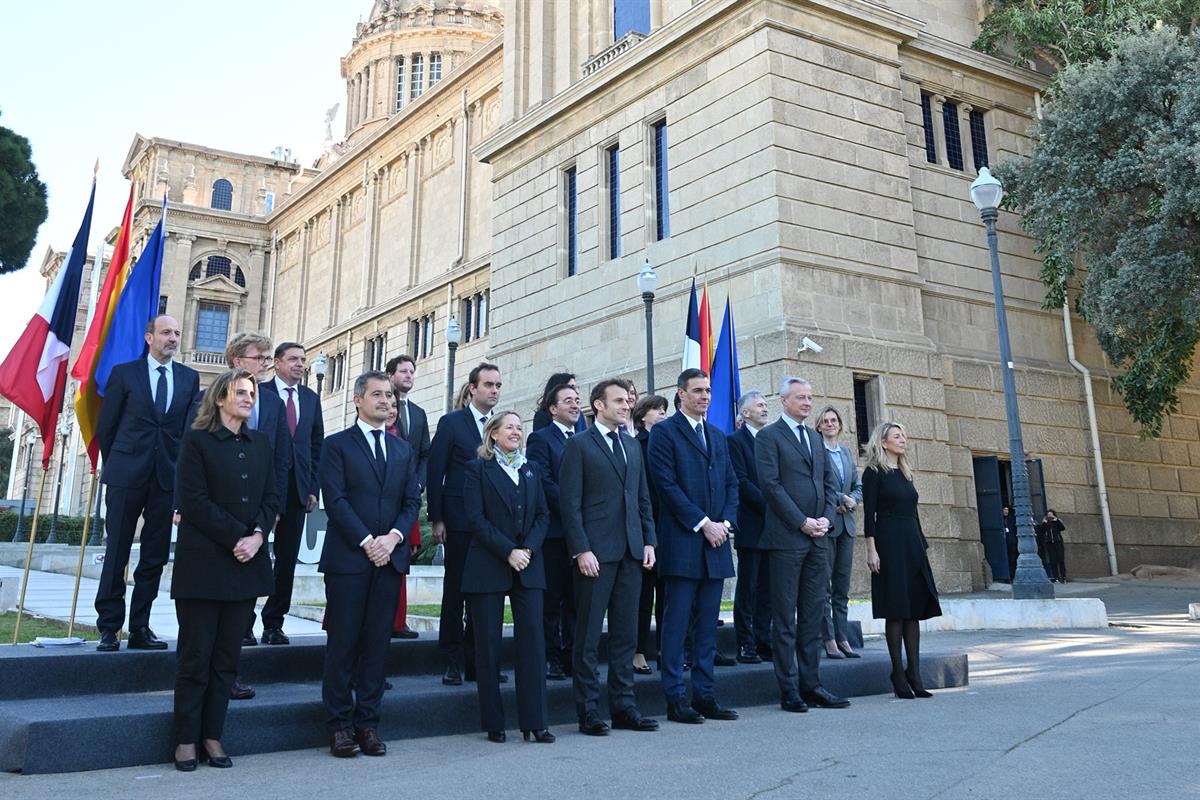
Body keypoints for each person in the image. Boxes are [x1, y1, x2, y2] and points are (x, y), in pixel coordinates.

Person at [171, 369, 277, 771]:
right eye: (241, 392)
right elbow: (194, 501)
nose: (249, 398)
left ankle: (212, 736)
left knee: (227, 659)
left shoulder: (262, 443)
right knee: (196, 657)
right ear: (219, 398)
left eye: (252, 392)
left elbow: (271, 496)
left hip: (246, 565)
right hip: (204, 565)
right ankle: (185, 739)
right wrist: (240, 537)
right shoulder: (197, 442)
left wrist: (258, 535)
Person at [319, 371, 422, 757]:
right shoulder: (336, 446)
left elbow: (411, 502)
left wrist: (393, 538)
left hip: (388, 560)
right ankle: (339, 727)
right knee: (344, 645)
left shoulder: (402, 450)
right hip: (349, 560)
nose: (387, 402)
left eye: (391, 397)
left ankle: (368, 724)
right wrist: (367, 542)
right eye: (378, 394)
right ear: (357, 400)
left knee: (377, 648)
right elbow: (337, 500)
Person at [94, 314, 200, 652]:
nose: (173, 338)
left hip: (166, 478)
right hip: (126, 475)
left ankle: (140, 626)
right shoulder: (124, 374)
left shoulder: (188, 378)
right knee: (117, 552)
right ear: (148, 337)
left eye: (177, 333)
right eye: (166, 332)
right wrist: (119, 465)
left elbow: (186, 434)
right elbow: (107, 428)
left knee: (154, 556)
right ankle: (109, 627)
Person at [559, 378, 658, 736]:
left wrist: (649, 541)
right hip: (595, 555)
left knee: (625, 636)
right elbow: (569, 505)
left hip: (632, 552)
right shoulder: (579, 446)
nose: (625, 405)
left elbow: (642, 498)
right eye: (618, 401)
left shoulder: (632, 446)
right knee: (587, 637)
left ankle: (624, 707)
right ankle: (588, 712)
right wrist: (581, 549)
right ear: (598, 405)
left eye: (627, 401)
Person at [648, 369, 739, 724]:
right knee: (676, 624)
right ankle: (675, 697)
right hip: (684, 541)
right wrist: (704, 523)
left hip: (716, 543)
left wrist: (726, 524)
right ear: (680, 394)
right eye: (698, 390)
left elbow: (732, 484)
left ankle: (704, 695)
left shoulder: (717, 435)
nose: (705, 396)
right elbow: (666, 486)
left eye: (708, 391)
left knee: (706, 627)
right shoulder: (664, 433)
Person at [756, 377, 849, 712]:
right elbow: (771, 485)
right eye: (800, 398)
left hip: (818, 539)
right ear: (784, 401)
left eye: (810, 397)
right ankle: (789, 688)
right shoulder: (769, 437)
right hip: (787, 539)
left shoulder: (815, 437)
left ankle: (813, 684)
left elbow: (828, 483)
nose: (808, 403)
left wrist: (826, 518)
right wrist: (801, 521)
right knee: (785, 617)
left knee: (812, 614)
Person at [462, 412, 553, 743]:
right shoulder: (477, 470)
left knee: (533, 644)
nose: (516, 431)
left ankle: (535, 722)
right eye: (509, 427)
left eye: (520, 427)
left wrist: (527, 549)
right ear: (493, 434)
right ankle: (495, 723)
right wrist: (508, 551)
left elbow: (543, 514)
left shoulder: (531, 469)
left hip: (529, 565)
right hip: (489, 564)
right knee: (488, 646)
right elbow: (476, 518)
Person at [428, 362, 504, 685]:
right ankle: (453, 660)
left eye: (498, 385)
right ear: (473, 388)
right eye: (488, 384)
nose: (494, 390)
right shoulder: (452, 423)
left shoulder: (502, 426)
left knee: (485, 593)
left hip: (491, 525)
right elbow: (435, 472)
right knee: (456, 590)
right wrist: (437, 518)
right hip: (458, 522)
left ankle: (480, 662)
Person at [862, 421, 941, 699]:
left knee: (914, 608)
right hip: (888, 540)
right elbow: (868, 515)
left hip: (911, 542)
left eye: (904, 435)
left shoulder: (906, 473)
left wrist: (922, 543)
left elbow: (914, 512)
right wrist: (871, 550)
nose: (903, 440)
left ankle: (915, 673)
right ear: (883, 442)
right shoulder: (873, 473)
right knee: (896, 608)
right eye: (897, 436)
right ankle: (897, 672)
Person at [258, 341, 324, 646]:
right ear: (277, 363)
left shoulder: (310, 399)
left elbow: (315, 445)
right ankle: (243, 623)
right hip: (263, 487)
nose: (300, 364)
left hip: (298, 490)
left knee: (285, 561)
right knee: (254, 555)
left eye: (303, 359)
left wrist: (313, 487)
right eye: (293, 359)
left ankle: (274, 622)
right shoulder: (260, 392)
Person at [525, 382, 583, 681]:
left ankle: (573, 656)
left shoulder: (585, 438)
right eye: (568, 401)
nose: (575, 405)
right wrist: (574, 508)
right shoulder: (541, 439)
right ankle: (550, 657)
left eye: (577, 400)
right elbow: (543, 481)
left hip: (582, 535)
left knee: (576, 600)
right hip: (555, 534)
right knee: (551, 601)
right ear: (553, 408)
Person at [386, 354, 431, 639]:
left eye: (412, 372)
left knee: (401, 562)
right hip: (382, 498)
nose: (409, 376)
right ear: (391, 375)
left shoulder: (419, 412)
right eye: (403, 371)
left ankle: (397, 621)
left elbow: (424, 453)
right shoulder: (380, 405)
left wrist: (418, 484)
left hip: (408, 496)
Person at [727, 391, 772, 664]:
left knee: (768, 588)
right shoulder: (735, 442)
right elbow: (742, 482)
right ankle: (745, 643)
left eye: (766, 404)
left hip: (775, 527)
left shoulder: (770, 440)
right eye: (759, 405)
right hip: (752, 523)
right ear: (745, 413)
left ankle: (764, 640)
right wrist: (774, 504)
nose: (765, 408)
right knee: (749, 587)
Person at [816, 405, 863, 660]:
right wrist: (840, 498)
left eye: (834, 420)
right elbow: (818, 484)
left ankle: (843, 636)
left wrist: (853, 499)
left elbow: (858, 486)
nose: (830, 424)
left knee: (842, 587)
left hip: (847, 526)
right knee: (824, 584)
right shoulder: (817, 452)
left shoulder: (845, 453)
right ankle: (829, 638)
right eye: (825, 421)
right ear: (819, 426)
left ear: (840, 424)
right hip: (828, 524)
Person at [632, 393, 668, 674]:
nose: (662, 414)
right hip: (646, 528)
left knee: (667, 595)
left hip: (669, 528)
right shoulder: (635, 446)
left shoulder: (668, 442)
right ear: (643, 415)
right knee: (643, 596)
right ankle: (639, 649)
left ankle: (665, 648)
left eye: (665, 410)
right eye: (657, 409)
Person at [1038, 510, 1068, 583]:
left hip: (1058, 542)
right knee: (1053, 561)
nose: (1050, 516)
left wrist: (1056, 520)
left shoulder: (1057, 521)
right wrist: (1044, 523)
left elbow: (1062, 528)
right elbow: (1042, 531)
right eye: (1048, 515)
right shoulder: (1046, 522)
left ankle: (1063, 577)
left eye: (1051, 515)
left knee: (1061, 560)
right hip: (1049, 543)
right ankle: (1055, 577)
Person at [1003, 505, 1017, 583]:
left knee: (1012, 559)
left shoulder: (1012, 519)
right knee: (1006, 559)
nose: (1006, 511)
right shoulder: (1000, 518)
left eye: (1007, 510)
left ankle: (1012, 575)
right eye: (1005, 510)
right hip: (1003, 542)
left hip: (1012, 541)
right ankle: (1006, 576)